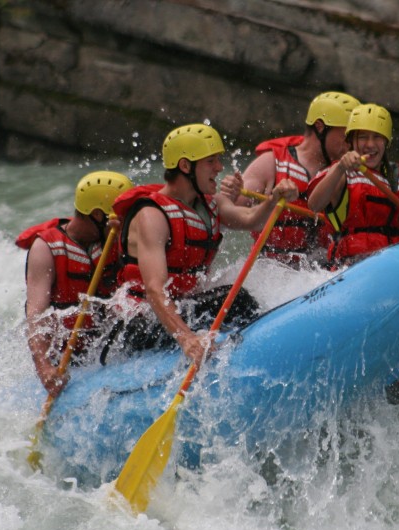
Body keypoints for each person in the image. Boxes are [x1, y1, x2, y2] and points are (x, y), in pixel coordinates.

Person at [108, 123, 298, 365]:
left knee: (237, 299)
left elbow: (252, 220)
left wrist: (274, 199)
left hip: (181, 307)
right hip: (141, 321)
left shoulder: (212, 204)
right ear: (185, 166)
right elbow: (154, 288)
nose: (219, 168)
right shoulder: (151, 214)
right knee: (238, 300)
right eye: (211, 161)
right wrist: (187, 339)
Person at [17, 171, 133, 396]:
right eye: (120, 216)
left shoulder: (119, 238)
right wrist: (45, 369)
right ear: (99, 215)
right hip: (69, 355)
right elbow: (35, 315)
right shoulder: (46, 248)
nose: (126, 223)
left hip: (111, 343)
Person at [228, 91, 361, 265]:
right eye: (346, 136)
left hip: (324, 271)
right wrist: (234, 193)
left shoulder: (348, 171)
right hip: (275, 271)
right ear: (320, 127)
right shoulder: (270, 163)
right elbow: (231, 217)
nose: (351, 144)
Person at [307, 103, 399, 267]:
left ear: (386, 142)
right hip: (350, 268)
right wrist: (340, 167)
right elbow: (314, 205)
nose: (370, 144)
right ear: (351, 142)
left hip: (395, 264)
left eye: (377, 136)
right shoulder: (341, 173)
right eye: (363, 137)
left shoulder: (398, 175)